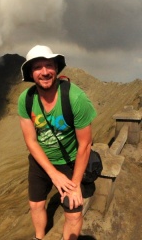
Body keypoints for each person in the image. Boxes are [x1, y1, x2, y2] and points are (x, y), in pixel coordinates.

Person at [17, 45, 97, 240]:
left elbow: (85, 145)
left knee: (73, 209)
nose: (44, 72)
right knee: (36, 205)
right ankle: (39, 237)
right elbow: (31, 141)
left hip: (70, 160)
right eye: (38, 67)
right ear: (30, 73)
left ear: (56, 68)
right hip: (41, 160)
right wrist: (53, 174)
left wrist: (75, 183)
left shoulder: (75, 98)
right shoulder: (26, 100)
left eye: (48, 65)